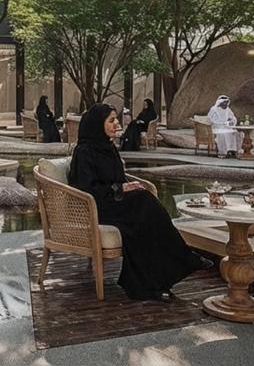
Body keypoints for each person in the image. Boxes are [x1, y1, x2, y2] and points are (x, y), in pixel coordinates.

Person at [69, 104, 207, 300]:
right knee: (144, 202)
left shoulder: (108, 147)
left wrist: (128, 186)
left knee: (145, 218)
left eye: (116, 119)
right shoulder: (84, 152)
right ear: (97, 124)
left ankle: (156, 282)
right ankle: (183, 257)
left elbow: (118, 178)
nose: (117, 124)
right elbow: (87, 189)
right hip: (95, 207)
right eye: (111, 120)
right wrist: (121, 188)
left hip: (115, 203)